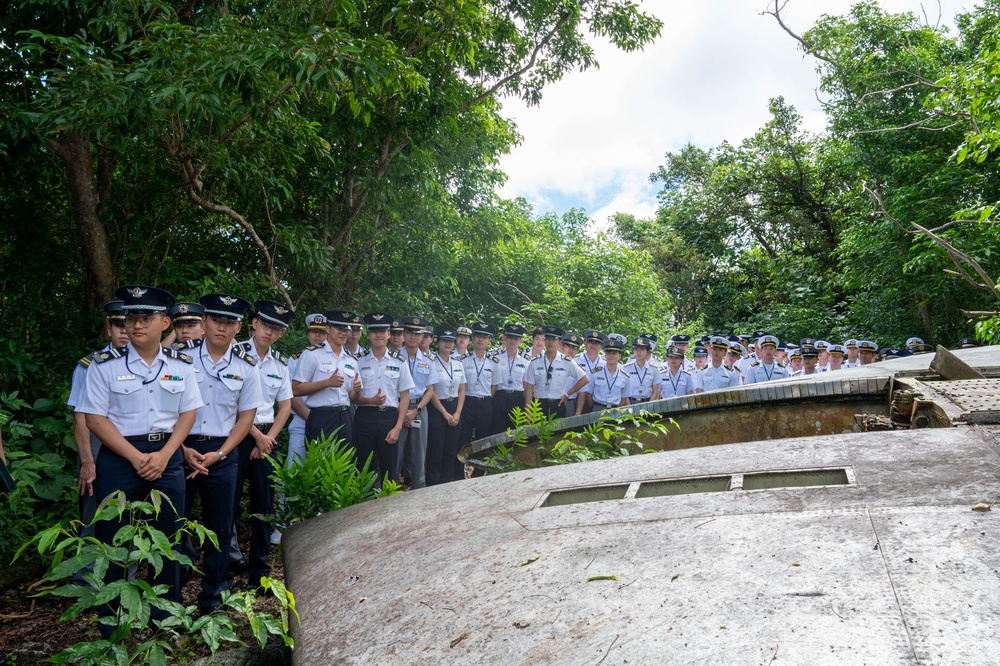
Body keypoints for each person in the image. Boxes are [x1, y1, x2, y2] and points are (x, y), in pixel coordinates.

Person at [77, 284, 204, 636]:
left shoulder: (181, 365)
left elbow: (188, 413)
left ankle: (166, 622)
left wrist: (164, 455)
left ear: (165, 322)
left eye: (146, 317)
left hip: (167, 458)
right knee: (113, 542)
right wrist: (136, 457)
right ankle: (111, 627)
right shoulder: (102, 366)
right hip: (120, 459)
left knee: (168, 540)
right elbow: (94, 419)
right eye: (131, 318)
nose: (136, 325)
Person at [182, 293, 262, 614]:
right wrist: (182, 448)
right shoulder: (180, 360)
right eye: (216, 320)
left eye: (229, 322)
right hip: (182, 450)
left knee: (219, 529)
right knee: (173, 525)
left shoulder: (247, 368)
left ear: (239, 327)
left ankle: (213, 597)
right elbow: (168, 408)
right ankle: (168, 599)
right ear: (204, 322)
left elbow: (246, 418)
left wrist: (221, 453)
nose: (221, 327)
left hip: (224, 453)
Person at [229, 301, 294, 587]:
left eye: (276, 328)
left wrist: (268, 440)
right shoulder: (233, 354)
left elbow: (285, 406)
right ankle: (225, 567)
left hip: (268, 439)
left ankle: (259, 571)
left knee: (263, 506)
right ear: (254, 323)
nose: (270, 332)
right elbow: (229, 403)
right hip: (235, 437)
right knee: (227, 505)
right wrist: (256, 436)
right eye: (266, 325)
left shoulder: (280, 363)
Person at [66, 301, 130, 544]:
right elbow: (80, 415)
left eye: (129, 324)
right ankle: (86, 577)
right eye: (118, 324)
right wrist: (86, 461)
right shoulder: (90, 365)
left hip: (136, 443)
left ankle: (127, 574)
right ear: (108, 329)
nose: (124, 330)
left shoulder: (152, 364)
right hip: (98, 445)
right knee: (94, 512)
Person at [354, 312, 413, 486]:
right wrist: (367, 399)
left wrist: (397, 427)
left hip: (389, 418)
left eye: (382, 331)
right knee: (364, 467)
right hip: (364, 417)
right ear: (368, 333)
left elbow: (405, 396)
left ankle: (388, 509)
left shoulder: (399, 362)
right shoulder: (359, 361)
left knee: (390, 468)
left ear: (389, 334)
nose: (378, 335)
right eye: (374, 331)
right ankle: (363, 507)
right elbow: (353, 397)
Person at [292, 310, 363, 448]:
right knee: (319, 464)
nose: (343, 332)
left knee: (343, 464)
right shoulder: (311, 354)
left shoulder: (352, 359)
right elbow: (296, 389)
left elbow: (352, 398)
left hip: (345, 416)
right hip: (322, 417)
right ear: (328, 328)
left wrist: (357, 391)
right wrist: (327, 383)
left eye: (346, 329)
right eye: (339, 328)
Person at [397, 316, 437, 489]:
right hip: (398, 408)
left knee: (419, 452)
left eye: (417, 333)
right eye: (410, 332)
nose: (413, 337)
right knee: (396, 450)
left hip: (419, 408)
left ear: (423, 337)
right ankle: (390, 487)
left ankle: (418, 488)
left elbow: (430, 390)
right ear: (404, 335)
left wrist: (416, 410)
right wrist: (403, 411)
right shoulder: (395, 358)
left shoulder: (428, 362)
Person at [523, 326, 589, 419]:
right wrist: (528, 412)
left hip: (558, 404)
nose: (550, 342)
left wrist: (567, 394)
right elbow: (529, 388)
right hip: (538, 406)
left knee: (557, 433)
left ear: (559, 343)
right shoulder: (534, 362)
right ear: (545, 340)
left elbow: (585, 379)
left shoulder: (566, 362)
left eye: (554, 339)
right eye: (548, 339)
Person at [427, 329, 465, 485]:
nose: (447, 344)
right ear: (438, 343)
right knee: (436, 449)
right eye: (444, 341)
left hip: (455, 406)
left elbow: (462, 390)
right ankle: (433, 482)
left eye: (450, 341)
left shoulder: (458, 363)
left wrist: (456, 413)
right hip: (437, 408)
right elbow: (431, 391)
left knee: (451, 449)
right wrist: (445, 413)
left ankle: (447, 482)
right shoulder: (430, 362)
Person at [460, 322, 499, 451]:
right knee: (463, 438)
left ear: (489, 340)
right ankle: (459, 470)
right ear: (473, 339)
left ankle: (478, 471)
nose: (480, 340)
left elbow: (494, 386)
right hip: (467, 402)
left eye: (484, 337)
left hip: (485, 404)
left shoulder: (494, 362)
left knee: (483, 440)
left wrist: (485, 397)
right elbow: (461, 385)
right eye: (478, 336)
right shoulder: (463, 360)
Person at [492, 324, 531, 434]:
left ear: (521, 341)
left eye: (516, 338)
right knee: (497, 430)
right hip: (499, 397)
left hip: (517, 398)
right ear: (504, 337)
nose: (512, 341)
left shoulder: (526, 360)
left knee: (515, 431)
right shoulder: (495, 357)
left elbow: (527, 385)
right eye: (510, 337)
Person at [589, 337, 630, 411]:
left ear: (620, 355)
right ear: (605, 355)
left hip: (616, 410)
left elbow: (624, 399)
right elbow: (589, 394)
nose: (611, 356)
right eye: (608, 353)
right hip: (597, 408)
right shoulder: (595, 373)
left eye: (614, 353)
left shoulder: (625, 376)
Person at [576, 330, 606, 412]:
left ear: (601, 346)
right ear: (585, 343)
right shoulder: (576, 360)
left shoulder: (605, 363)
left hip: (596, 401)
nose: (593, 345)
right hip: (577, 399)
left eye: (596, 343)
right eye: (590, 342)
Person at [624, 336, 661, 404]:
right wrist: (628, 407)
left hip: (647, 402)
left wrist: (649, 406)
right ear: (633, 351)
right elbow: (624, 391)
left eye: (642, 349)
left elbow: (655, 391)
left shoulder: (654, 369)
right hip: (630, 402)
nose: (638, 352)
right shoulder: (626, 368)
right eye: (636, 349)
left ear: (647, 351)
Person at [560, 332, 585, 415]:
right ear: (562, 345)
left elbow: (582, 391)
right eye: (568, 346)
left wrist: (578, 412)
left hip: (569, 402)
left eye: (575, 348)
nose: (571, 350)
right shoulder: (552, 361)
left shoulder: (577, 367)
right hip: (550, 400)